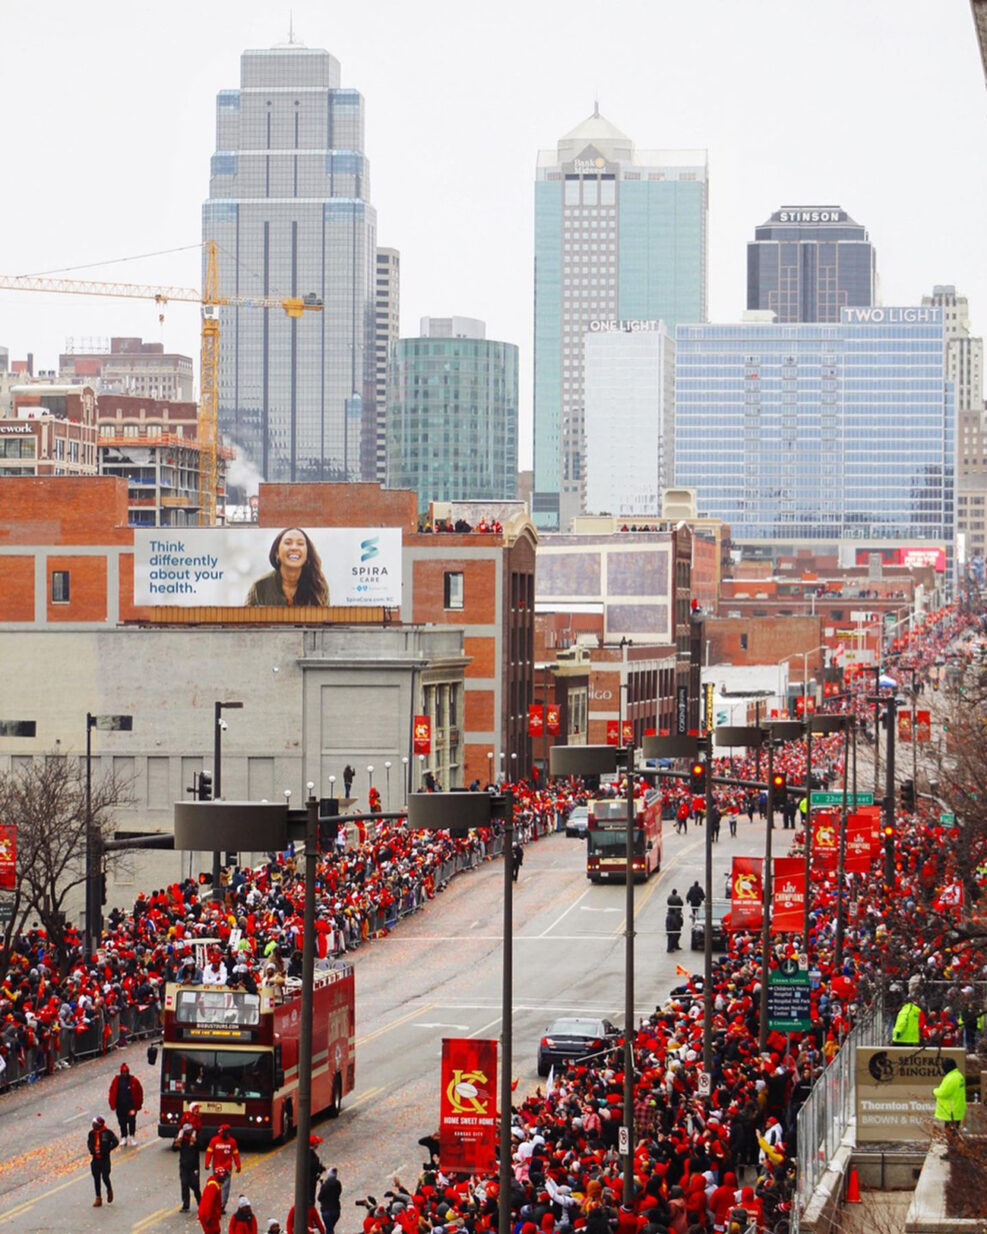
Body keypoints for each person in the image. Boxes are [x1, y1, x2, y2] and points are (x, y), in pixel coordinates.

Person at [245, 528, 329, 607]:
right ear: (276, 553)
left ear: (307, 555)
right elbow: (246, 620)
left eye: (300, 544)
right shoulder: (260, 587)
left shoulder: (318, 586)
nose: (294, 548)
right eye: (288, 543)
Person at [932, 1057, 967, 1153]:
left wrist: (935, 1091)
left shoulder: (950, 1078)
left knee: (950, 1133)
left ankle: (952, 1153)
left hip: (951, 1111)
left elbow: (943, 1092)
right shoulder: (958, 1076)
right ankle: (955, 1151)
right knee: (954, 1132)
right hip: (957, 1109)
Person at [205, 1125, 242, 1212]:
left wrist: (238, 1165)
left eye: (228, 1132)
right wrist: (207, 1163)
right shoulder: (214, 1141)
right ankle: (217, 1203)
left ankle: (222, 1205)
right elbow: (209, 1152)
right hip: (216, 1168)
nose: (227, 1134)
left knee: (225, 1187)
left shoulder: (232, 1142)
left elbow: (235, 1154)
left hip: (227, 1168)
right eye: (226, 1132)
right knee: (217, 1186)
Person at [108, 1062, 144, 1146]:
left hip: (131, 1106)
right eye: (123, 1072)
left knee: (131, 1121)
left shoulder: (133, 1081)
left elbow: (139, 1092)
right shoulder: (116, 1081)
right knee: (122, 1122)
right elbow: (112, 1091)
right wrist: (112, 1103)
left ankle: (132, 1136)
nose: (125, 1074)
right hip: (120, 1106)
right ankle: (124, 1137)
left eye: (126, 1072)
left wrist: (139, 1103)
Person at [87, 1115, 119, 1207]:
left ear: (99, 1124)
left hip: (104, 1159)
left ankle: (109, 1189)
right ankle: (98, 1197)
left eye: (95, 1123)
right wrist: (92, 1149)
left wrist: (108, 1149)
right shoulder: (91, 1134)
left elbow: (115, 1142)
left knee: (105, 1177)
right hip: (95, 1159)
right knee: (96, 1179)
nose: (93, 1125)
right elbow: (89, 1143)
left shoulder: (107, 1133)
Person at [172, 1118, 203, 1211]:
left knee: (195, 1185)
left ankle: (200, 1202)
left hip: (194, 1166)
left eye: (190, 1130)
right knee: (184, 1184)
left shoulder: (196, 1136)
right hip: (184, 1165)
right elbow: (174, 1149)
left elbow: (202, 1146)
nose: (189, 1132)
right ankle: (186, 1204)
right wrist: (175, 1145)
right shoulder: (180, 1138)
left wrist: (196, 1142)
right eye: (187, 1131)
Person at [199, 1170, 228, 1234]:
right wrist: (208, 1216)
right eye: (223, 1178)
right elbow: (208, 1202)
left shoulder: (215, 1184)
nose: (224, 1180)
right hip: (209, 1215)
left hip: (211, 1215)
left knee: (215, 1231)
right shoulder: (213, 1186)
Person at [317, 1166, 342, 1234]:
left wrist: (322, 1185)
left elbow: (319, 1198)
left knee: (329, 1229)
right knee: (330, 1228)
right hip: (336, 1210)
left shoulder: (325, 1185)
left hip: (326, 1210)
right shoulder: (338, 1184)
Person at [308, 1135, 326, 1204]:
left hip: (311, 1180)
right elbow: (314, 1167)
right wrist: (320, 1168)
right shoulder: (311, 1155)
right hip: (311, 1181)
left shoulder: (308, 1154)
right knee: (311, 1198)